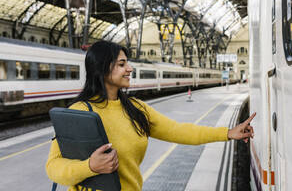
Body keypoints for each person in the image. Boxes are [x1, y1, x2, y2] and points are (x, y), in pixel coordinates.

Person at [46, 40, 256, 191]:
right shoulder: (79, 112)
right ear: (101, 69)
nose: (129, 69)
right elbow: (54, 167)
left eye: (127, 63)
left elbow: (178, 131)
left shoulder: (136, 109)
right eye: (121, 64)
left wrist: (228, 133)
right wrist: (89, 166)